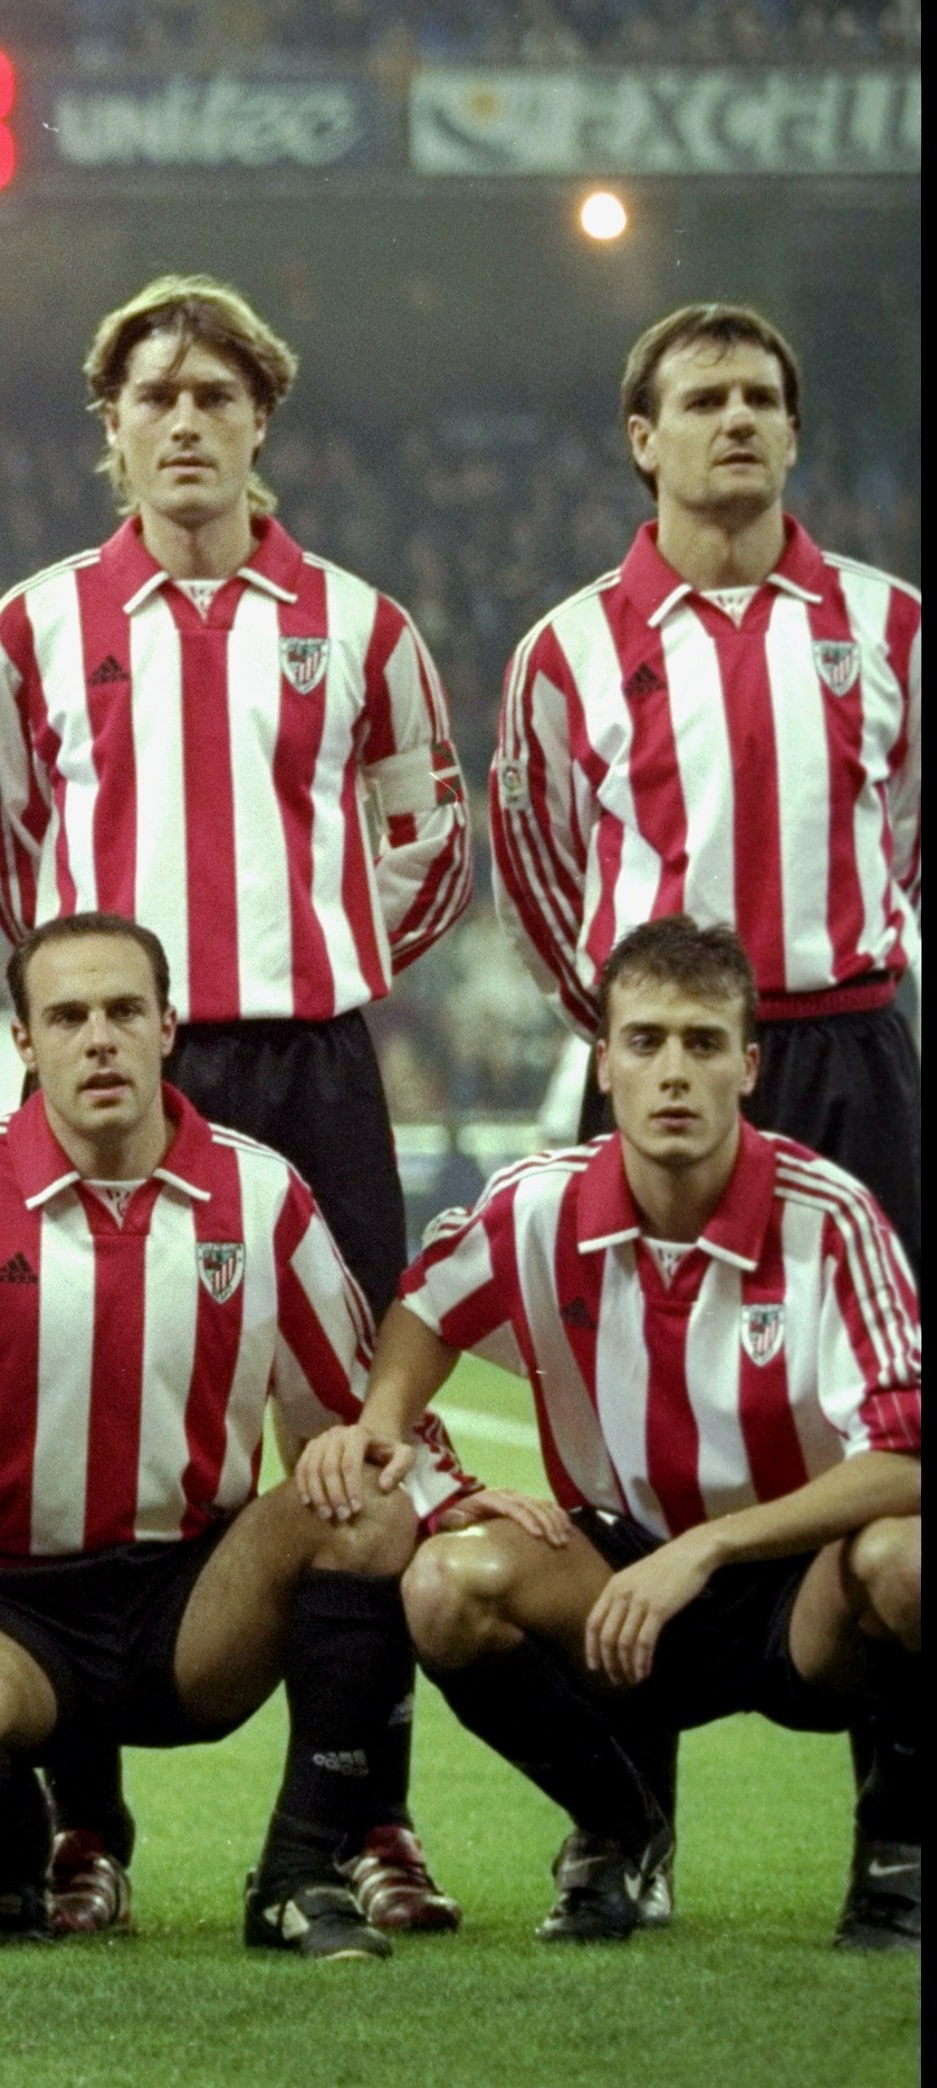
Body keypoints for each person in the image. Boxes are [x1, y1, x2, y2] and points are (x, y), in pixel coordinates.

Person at [0, 275, 471, 1930]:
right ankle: (80, 1820)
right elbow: (8, 843)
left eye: (214, 395)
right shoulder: (36, 628)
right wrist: (103, 1014)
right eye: (152, 396)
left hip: (311, 1057)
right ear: (107, 432)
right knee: (69, 1418)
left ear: (261, 421)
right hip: (123, 1062)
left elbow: (426, 835)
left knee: (348, 1439)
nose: (183, 421)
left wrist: (314, 949)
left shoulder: (363, 625)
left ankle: (362, 1820)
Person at [489, 301, 923, 1922]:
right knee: (636, 1430)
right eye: (700, 398)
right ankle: (625, 1817)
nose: (732, 419)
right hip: (664, 1061)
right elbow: (536, 865)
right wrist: (632, 1027)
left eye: (759, 397)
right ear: (640, 436)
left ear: (793, 432)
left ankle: (897, 1828)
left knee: (882, 1431)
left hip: (850, 1051)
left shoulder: (889, 627)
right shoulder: (566, 645)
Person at [0, 911, 474, 1960]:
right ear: (26, 1043)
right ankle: (20, 1834)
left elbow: (357, 1416)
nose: (100, 1038)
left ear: (169, 1025)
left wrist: (461, 1498)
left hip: (194, 1606)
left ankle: (301, 1868)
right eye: (68, 1016)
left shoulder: (259, 1193)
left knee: (365, 1509)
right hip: (7, 1607)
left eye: (124, 1010)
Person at [317, 916, 921, 1951]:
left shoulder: (831, 1217)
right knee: (444, 1586)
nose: (672, 1071)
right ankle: (618, 1828)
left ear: (749, 1065)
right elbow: (424, 1305)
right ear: (605, 1063)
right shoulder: (539, 1204)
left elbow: (905, 1455)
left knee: (910, 1558)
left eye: (701, 1041)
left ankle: (898, 1859)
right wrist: (382, 1423)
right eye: (644, 1041)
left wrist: (710, 1546)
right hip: (619, 1585)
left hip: (803, 1588)